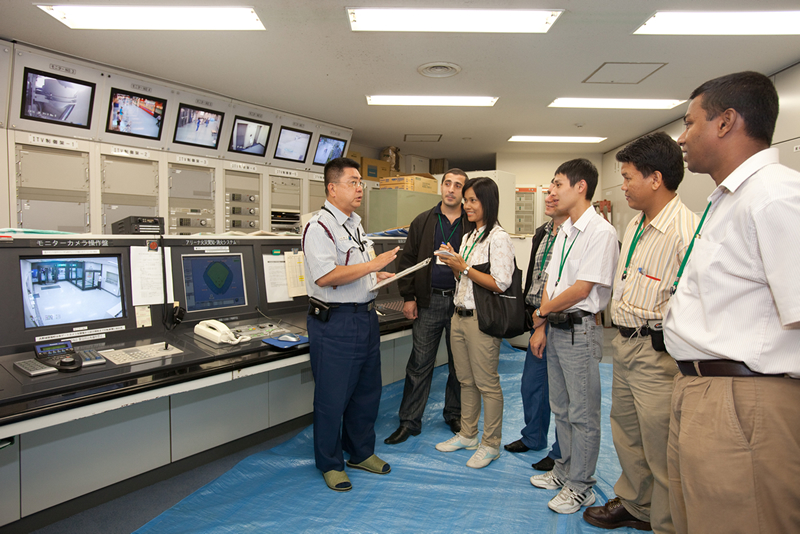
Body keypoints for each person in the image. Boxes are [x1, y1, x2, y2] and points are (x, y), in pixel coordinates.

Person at [664, 71, 800, 534]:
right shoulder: (726, 200)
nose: (682, 138)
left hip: (745, 400)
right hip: (704, 391)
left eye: (690, 123)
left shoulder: (774, 196)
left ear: (726, 122)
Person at [583, 132, 698, 533]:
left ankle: (667, 522)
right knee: (627, 431)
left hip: (658, 354)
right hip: (625, 346)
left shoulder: (687, 231)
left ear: (656, 178)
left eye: (629, 177)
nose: (624, 185)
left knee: (661, 442)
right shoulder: (634, 224)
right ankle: (637, 504)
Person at [301, 157, 399, 492]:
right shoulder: (319, 228)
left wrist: (375, 273)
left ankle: (360, 452)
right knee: (332, 397)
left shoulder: (355, 224)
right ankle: (330, 463)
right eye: (353, 182)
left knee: (367, 392)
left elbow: (354, 268)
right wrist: (371, 264)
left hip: (365, 317)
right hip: (336, 323)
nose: (360, 188)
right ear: (332, 187)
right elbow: (326, 276)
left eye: (361, 182)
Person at [529, 159, 619, 514]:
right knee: (561, 409)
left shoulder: (600, 232)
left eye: (557, 184)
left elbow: (582, 289)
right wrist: (542, 324)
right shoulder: (565, 231)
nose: (551, 192)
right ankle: (564, 471)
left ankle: (581, 486)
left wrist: (542, 313)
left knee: (582, 414)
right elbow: (552, 282)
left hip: (580, 330)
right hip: (556, 327)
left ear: (580, 187)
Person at [384, 169, 472, 445]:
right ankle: (409, 422)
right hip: (429, 301)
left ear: (464, 192)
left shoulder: (472, 224)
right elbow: (407, 261)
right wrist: (408, 296)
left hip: (461, 303)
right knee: (420, 364)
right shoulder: (423, 221)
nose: (451, 189)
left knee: (460, 365)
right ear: (441, 188)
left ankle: (454, 414)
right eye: (447, 183)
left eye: (458, 185)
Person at [434, 177, 515, 469]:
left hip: (481, 320)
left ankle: (491, 443)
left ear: (487, 203)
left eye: (472, 200)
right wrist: (454, 264)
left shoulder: (498, 237)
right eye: (466, 200)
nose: (466, 205)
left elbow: (501, 283)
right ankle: (467, 434)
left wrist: (464, 267)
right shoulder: (470, 237)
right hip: (459, 315)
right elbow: (465, 279)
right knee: (465, 380)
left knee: (487, 384)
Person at [503, 182, 564, 473]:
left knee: (563, 394)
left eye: (556, 191)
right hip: (537, 318)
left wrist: (544, 319)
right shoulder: (543, 232)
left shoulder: (576, 235)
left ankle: (561, 451)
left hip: (560, 320)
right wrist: (532, 316)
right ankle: (533, 437)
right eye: (548, 192)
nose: (549, 197)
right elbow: (535, 278)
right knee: (532, 385)